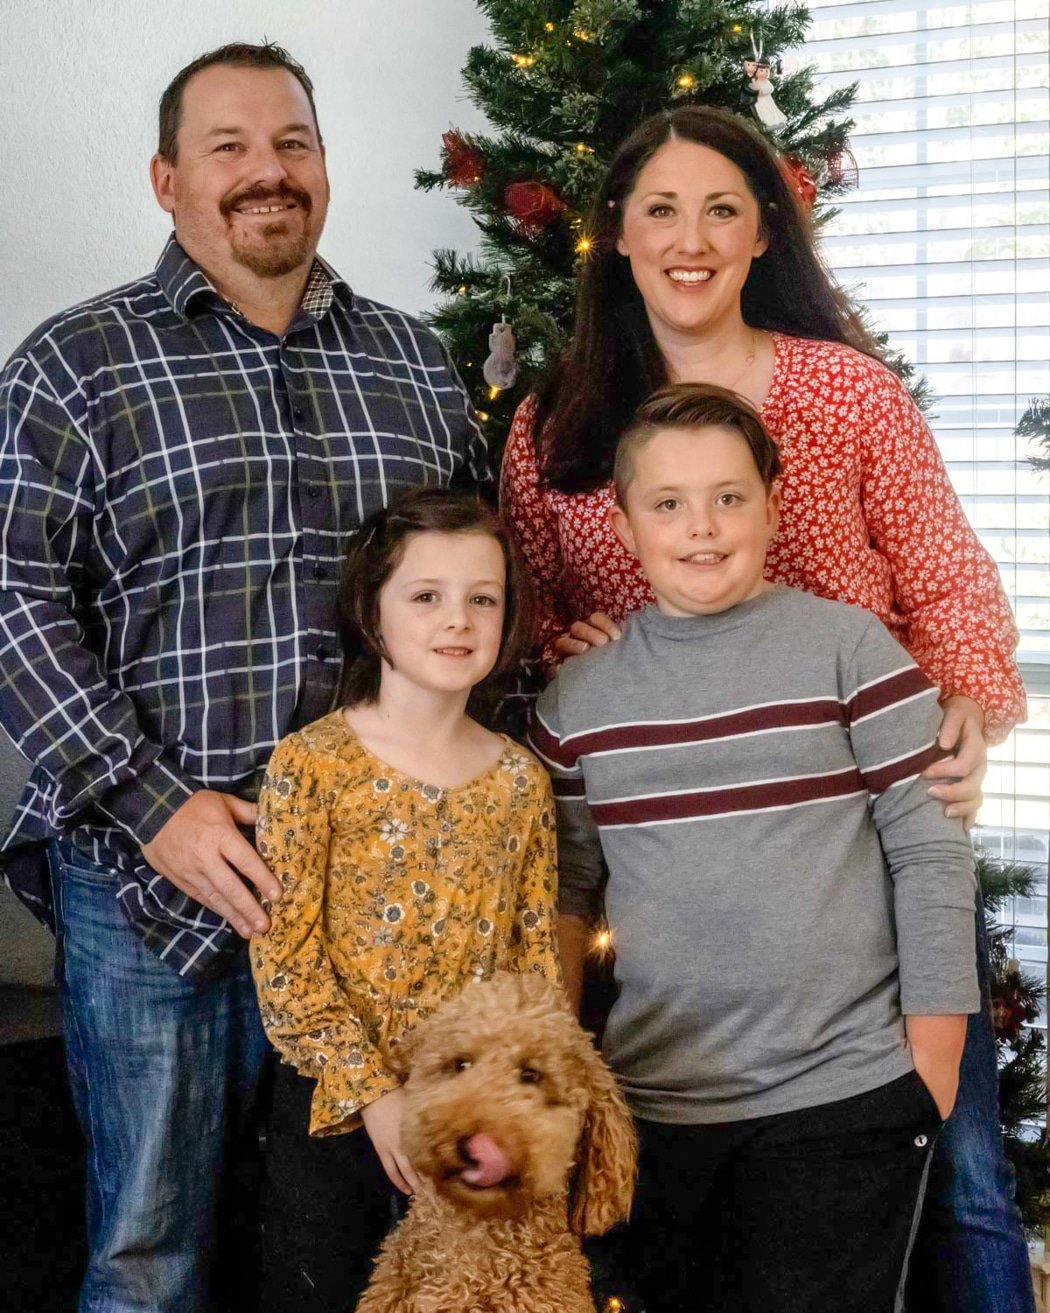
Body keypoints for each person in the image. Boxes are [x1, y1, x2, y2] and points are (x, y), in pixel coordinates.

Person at [500, 104, 1032, 1313]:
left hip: (858, 851)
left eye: (723, 209)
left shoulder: (844, 393)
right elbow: (518, 620)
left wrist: (967, 713)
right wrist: (559, 649)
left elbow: (946, 575)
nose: (691, 237)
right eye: (662, 210)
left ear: (761, 236)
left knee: (961, 1184)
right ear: (617, 238)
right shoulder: (558, 420)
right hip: (682, 898)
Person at [0, 43, 487, 1313]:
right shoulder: (74, 366)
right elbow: (14, 602)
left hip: (385, 892)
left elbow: (482, 594)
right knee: (150, 1250)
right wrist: (150, 801)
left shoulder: (417, 367)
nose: (265, 173)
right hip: (156, 885)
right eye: (228, 148)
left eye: (292, 143)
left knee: (354, 1245)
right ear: (168, 179)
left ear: (324, 168)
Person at [530, 382, 979, 1311]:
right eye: (668, 504)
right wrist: (560, 1068)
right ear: (622, 527)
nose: (703, 526)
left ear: (773, 505)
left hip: (842, 1095)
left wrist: (932, 1062)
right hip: (656, 1105)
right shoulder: (581, 699)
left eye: (730, 496)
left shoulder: (849, 649)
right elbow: (569, 892)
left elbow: (928, 850)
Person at [250, 487, 559, 1311]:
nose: (457, 619)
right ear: (372, 612)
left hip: (474, 1124)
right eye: (427, 596)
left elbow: (531, 966)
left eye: (482, 599)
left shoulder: (520, 779)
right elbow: (285, 960)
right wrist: (376, 1099)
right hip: (338, 1115)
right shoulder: (311, 765)